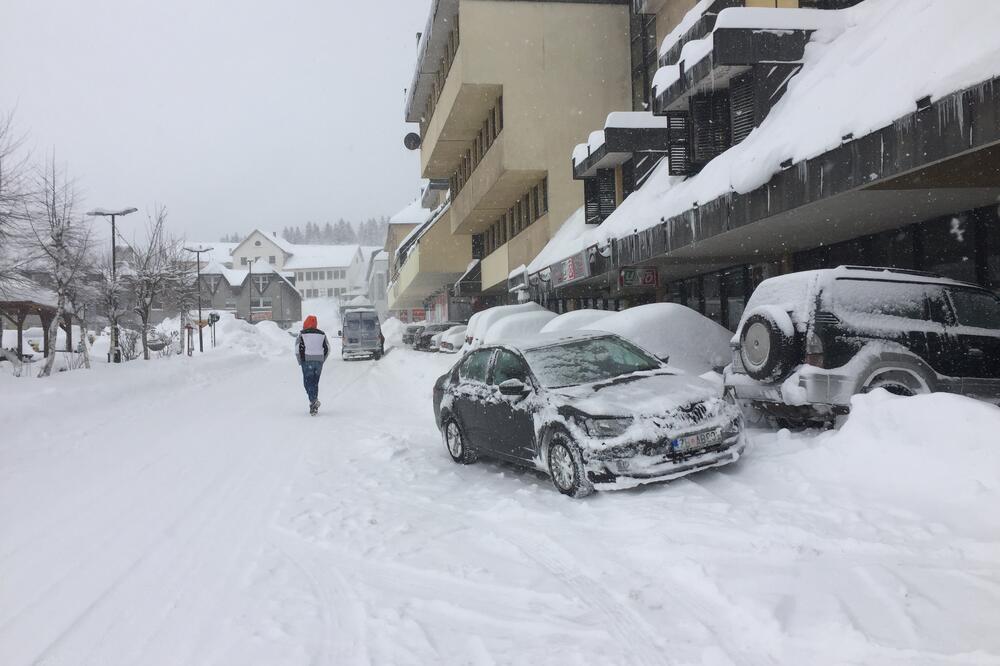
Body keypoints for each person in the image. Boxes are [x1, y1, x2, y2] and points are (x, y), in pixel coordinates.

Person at [295, 315, 330, 415]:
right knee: (315, 382)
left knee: (308, 383)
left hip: (307, 360)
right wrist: (322, 360)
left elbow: (297, 349)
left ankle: (313, 401)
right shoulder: (322, 334)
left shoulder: (302, 334)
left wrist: (300, 361)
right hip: (318, 361)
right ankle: (314, 404)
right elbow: (327, 349)